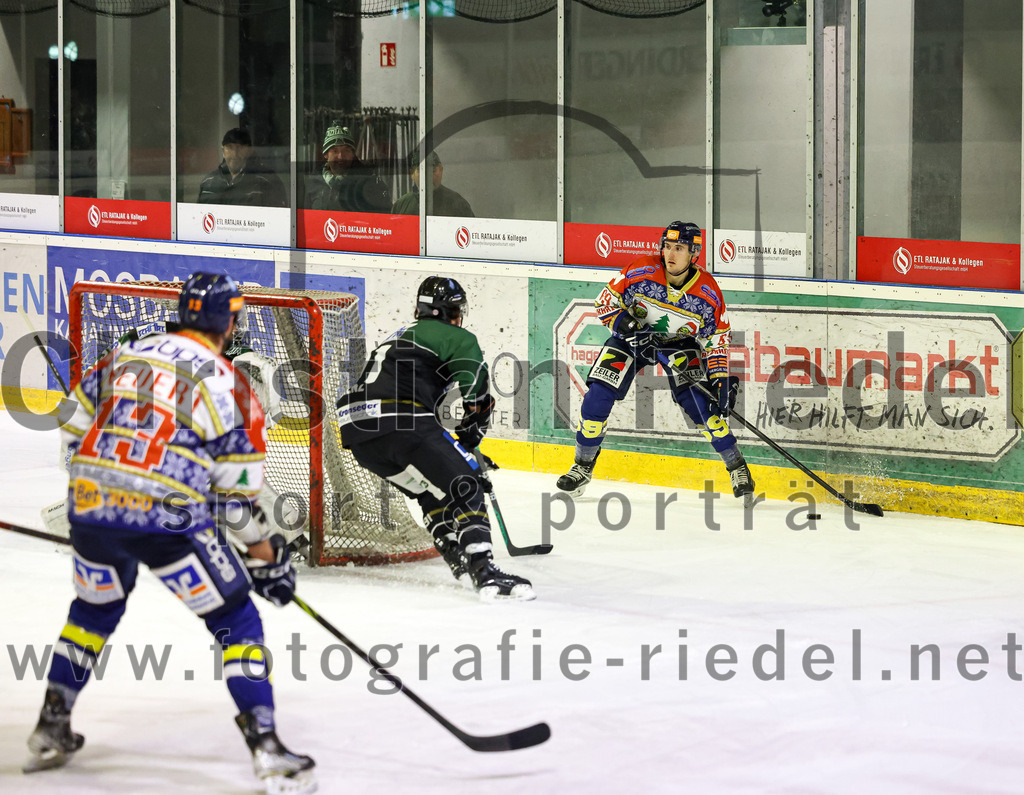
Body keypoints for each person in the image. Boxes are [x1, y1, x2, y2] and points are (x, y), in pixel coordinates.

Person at [24, 273, 315, 794]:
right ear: (229, 322)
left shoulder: (125, 355)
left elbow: (69, 424)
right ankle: (268, 748)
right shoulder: (231, 384)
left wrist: (107, 479)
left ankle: (51, 724)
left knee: (93, 611)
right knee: (235, 617)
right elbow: (235, 497)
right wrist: (264, 555)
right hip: (167, 516)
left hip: (89, 505)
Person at [336, 276, 534, 600]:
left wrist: (457, 445)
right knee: (466, 484)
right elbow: (475, 393)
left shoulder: (398, 336)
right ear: (451, 312)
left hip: (358, 432)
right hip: (400, 421)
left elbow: (422, 407)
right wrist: (472, 432)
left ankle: (457, 557)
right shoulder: (456, 337)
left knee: (431, 491)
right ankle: (484, 571)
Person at [555, 221, 755, 506]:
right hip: (631, 340)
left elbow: (716, 342)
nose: (670, 254)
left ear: (694, 253)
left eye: (679, 248)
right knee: (597, 398)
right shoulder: (640, 271)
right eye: (667, 246)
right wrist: (629, 326)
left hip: (678, 346)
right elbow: (605, 303)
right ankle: (582, 466)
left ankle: (737, 466)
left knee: (704, 408)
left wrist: (720, 379)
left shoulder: (708, 293)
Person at [304, 122, 391, 213]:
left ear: (353, 154)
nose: (341, 156)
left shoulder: (369, 182)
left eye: (346, 150)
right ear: (326, 154)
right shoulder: (313, 182)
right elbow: (304, 216)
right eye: (335, 151)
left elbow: (384, 216)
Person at [196, 128, 287, 207]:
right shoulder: (209, 182)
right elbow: (200, 216)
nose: (234, 154)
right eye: (229, 147)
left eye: (240, 148)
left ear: (250, 151)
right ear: (223, 151)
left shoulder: (266, 181)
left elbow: (278, 218)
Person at [392, 150, 474, 217]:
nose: (427, 176)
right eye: (421, 171)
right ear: (412, 173)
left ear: (441, 170)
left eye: (433, 171)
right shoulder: (400, 206)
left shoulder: (458, 204)